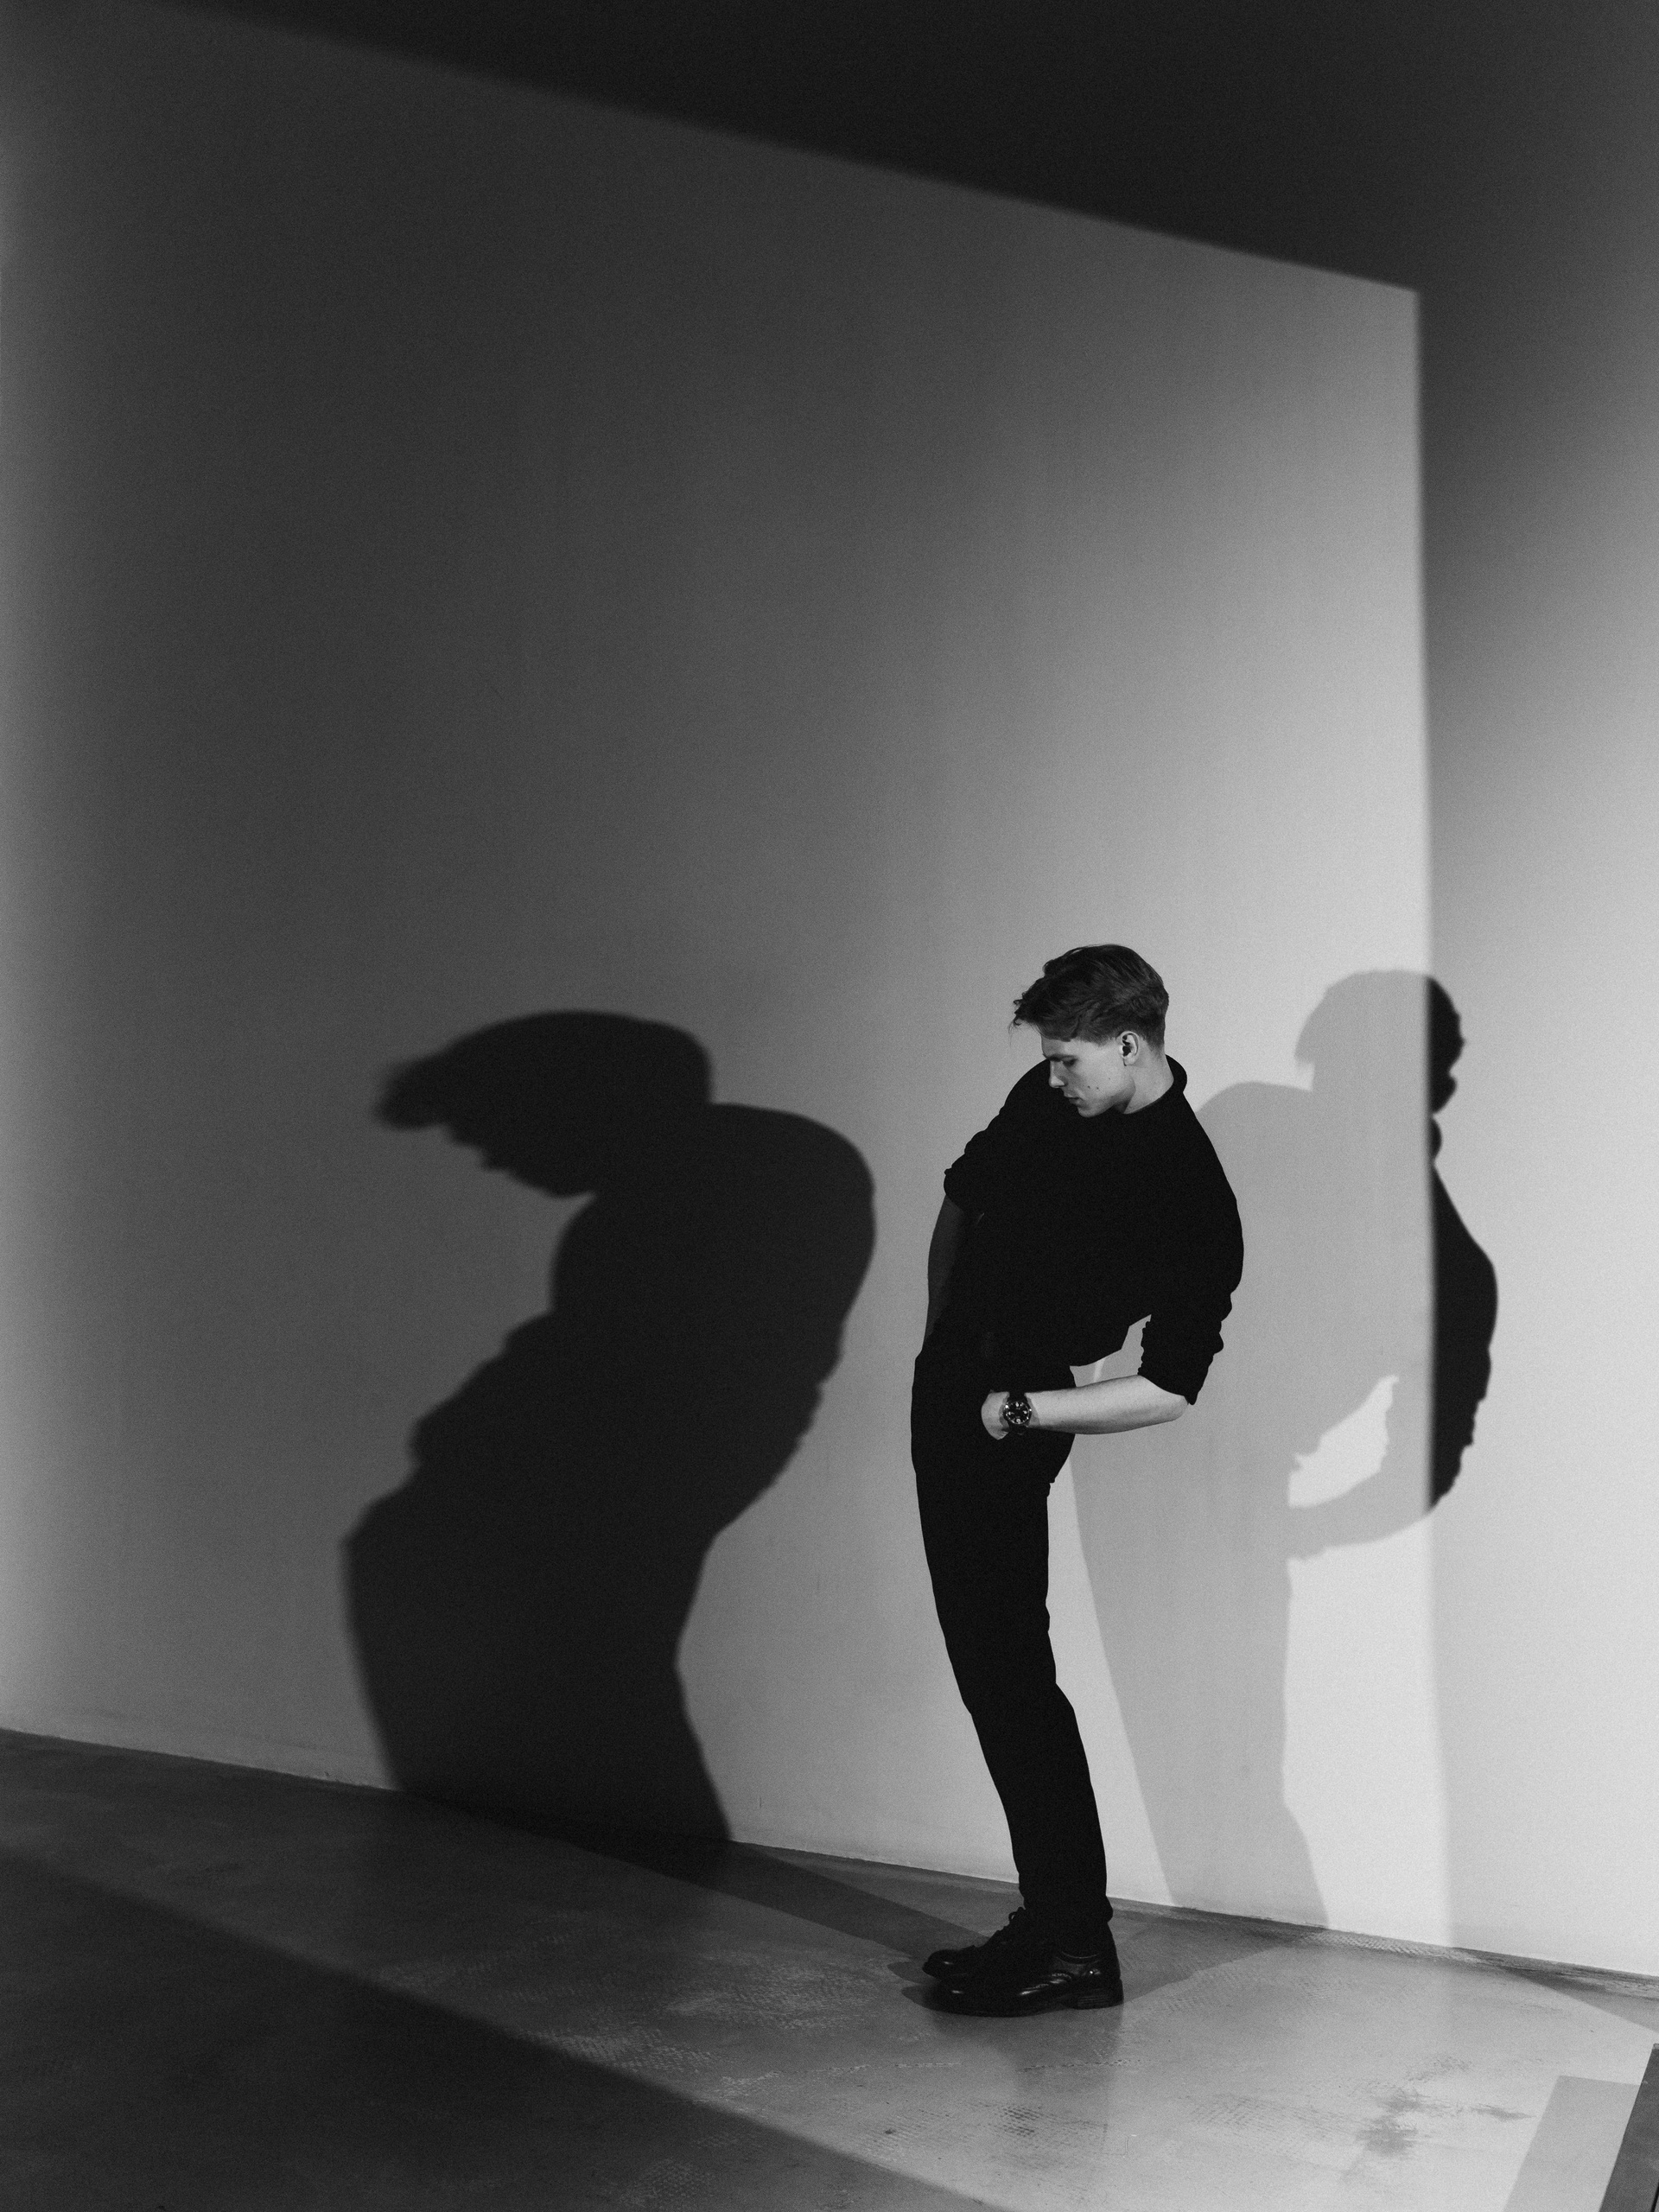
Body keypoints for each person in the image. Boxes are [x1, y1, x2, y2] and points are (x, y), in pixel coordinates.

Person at [912, 944, 1243, 2015]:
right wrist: (941, 1343)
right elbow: (963, 1197)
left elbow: (1171, 1385)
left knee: (1011, 1674)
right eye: (1049, 1058)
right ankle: (1053, 1920)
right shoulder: (1047, 1097)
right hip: (958, 1386)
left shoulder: (1189, 1188)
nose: (1052, 1076)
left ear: (1131, 1044)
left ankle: (1072, 1941)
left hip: (1014, 1410)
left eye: (1069, 1059)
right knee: (992, 1668)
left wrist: (1018, 1410)